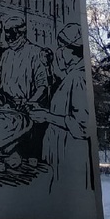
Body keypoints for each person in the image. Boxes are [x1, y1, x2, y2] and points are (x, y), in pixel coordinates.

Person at [33, 23, 93, 191]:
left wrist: (46, 117)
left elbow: (83, 127)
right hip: (61, 156)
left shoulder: (79, 78)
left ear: (72, 49)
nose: (58, 51)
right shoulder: (72, 75)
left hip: (69, 156)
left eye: (61, 46)